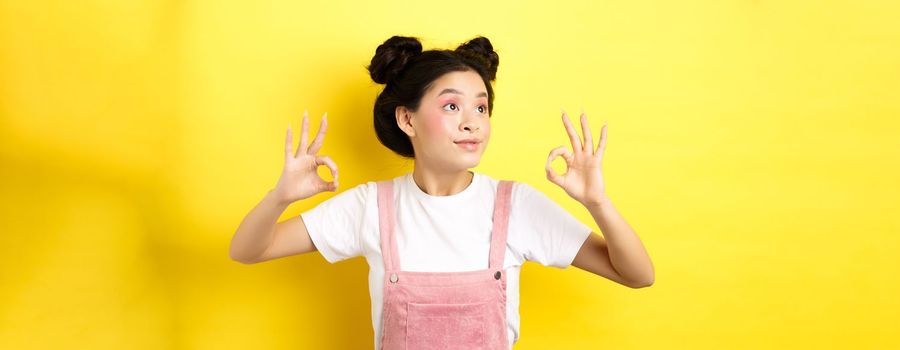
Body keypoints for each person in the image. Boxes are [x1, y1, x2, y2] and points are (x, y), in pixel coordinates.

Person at [229, 35, 655, 350]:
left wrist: (598, 202)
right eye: (452, 106)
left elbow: (638, 275)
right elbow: (248, 249)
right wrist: (280, 197)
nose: (472, 122)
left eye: (481, 107)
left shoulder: (516, 206)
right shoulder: (370, 207)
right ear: (407, 120)